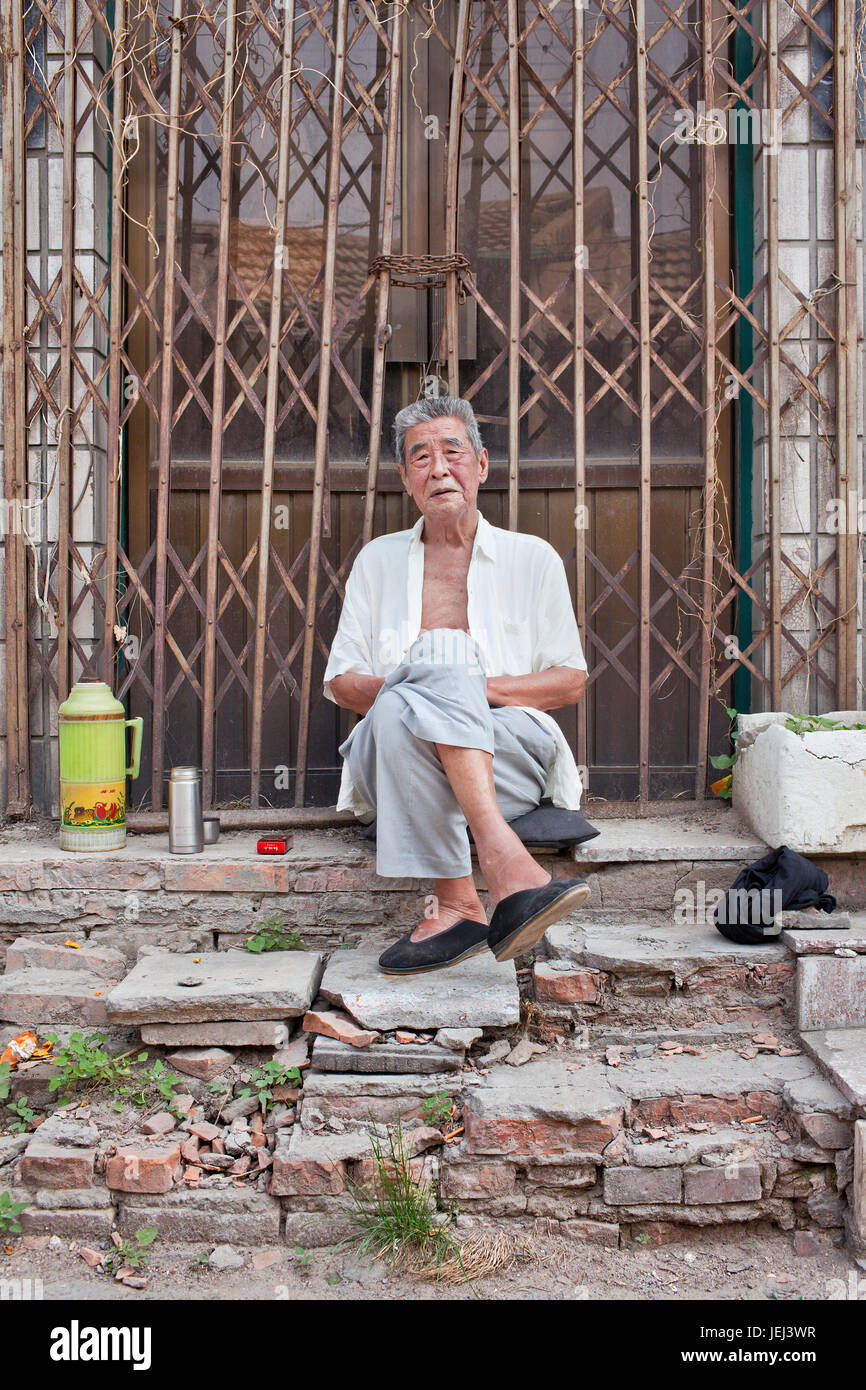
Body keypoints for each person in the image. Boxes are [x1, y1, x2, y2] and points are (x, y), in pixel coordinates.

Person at [322, 396, 590, 975]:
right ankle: (508, 866)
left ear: (483, 464)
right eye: (421, 457)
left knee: (432, 672)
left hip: (509, 752)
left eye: (452, 452)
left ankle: (457, 905)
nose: (439, 468)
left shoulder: (533, 558)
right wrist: (425, 680)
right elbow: (342, 684)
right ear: (405, 479)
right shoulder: (377, 561)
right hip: (391, 766)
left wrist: (463, 686)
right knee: (404, 702)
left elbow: (569, 681)